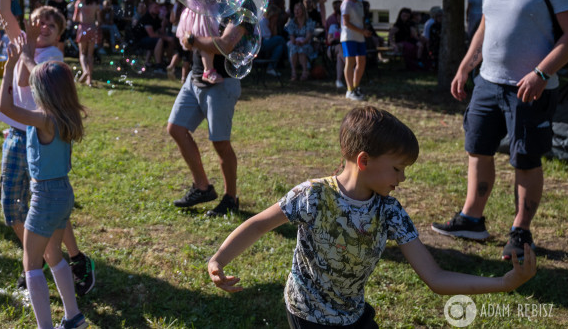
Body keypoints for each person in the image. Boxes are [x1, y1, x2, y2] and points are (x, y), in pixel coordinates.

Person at [208, 106, 536, 327]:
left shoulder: (390, 212)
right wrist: (219, 260)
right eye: (397, 168)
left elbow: (435, 279)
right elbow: (258, 225)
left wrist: (505, 283)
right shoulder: (313, 195)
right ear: (364, 161)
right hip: (307, 315)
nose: (402, 178)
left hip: (353, 317)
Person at [436, 0, 568, 260]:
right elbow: (486, 29)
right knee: (478, 149)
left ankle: (521, 231)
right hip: (488, 84)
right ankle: (472, 219)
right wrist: (465, 66)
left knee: (525, 158)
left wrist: (542, 73)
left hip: (529, 90)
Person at [0, 0, 96, 297]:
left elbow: (27, 79)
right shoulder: (24, 43)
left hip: (43, 136)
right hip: (17, 134)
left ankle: (46, 260)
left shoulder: (54, 59)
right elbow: (5, 10)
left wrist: (27, 48)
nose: (44, 26)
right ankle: (49, 257)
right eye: (38, 21)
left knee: (46, 203)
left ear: (60, 32)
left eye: (52, 23)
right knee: (17, 205)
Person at [0, 33, 88, 329]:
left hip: (45, 196)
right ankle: (74, 317)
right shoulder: (64, 115)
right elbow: (37, 69)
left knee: (31, 263)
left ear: (45, 94)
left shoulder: (43, 119)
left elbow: (6, 110)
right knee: (53, 255)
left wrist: (9, 68)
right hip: (62, 194)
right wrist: (26, 54)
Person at [168, 2, 250, 217]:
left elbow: (224, 45)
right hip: (194, 79)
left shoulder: (242, 8)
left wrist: (193, 39)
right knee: (176, 128)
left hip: (222, 82)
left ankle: (230, 198)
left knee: (220, 142)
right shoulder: (203, 1)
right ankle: (202, 187)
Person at [172, 0, 223, 84]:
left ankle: (207, 69)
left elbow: (220, 0)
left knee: (209, 44)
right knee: (206, 41)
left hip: (210, 17)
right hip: (198, 19)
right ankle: (208, 71)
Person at [341, 0, 372, 101]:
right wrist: (362, 31)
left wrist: (365, 30)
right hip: (349, 38)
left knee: (362, 62)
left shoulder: (359, 3)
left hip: (360, 38)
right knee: (350, 62)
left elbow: (361, 21)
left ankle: (356, 86)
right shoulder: (346, 4)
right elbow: (346, 22)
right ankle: (350, 90)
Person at [72, 0, 101, 86]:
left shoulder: (79, 3)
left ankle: (85, 71)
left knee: (82, 53)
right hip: (92, 28)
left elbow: (75, 18)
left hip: (82, 28)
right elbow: (99, 19)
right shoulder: (96, 4)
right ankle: (90, 80)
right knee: (90, 55)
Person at [285, 3, 316, 81]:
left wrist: (303, 42)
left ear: (303, 11)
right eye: (295, 9)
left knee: (302, 50)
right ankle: (294, 72)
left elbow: (308, 36)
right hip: (295, 43)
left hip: (306, 43)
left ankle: (305, 71)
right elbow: (291, 35)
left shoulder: (309, 22)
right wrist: (295, 42)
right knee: (293, 48)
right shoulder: (292, 22)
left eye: (298, 9)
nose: (296, 11)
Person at [256, 11, 285, 77]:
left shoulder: (271, 23)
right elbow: (267, 36)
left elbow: (273, 35)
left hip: (266, 42)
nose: (277, 18)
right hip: (261, 43)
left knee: (280, 47)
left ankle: (270, 68)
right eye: (276, 16)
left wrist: (273, 26)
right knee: (280, 39)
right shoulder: (263, 21)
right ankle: (287, 55)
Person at [324, 0, 345, 89]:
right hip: (332, 49)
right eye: (339, 17)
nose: (340, 19)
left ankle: (338, 80)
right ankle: (351, 70)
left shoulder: (347, 29)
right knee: (340, 47)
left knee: (340, 56)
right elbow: (329, 40)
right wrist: (338, 39)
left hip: (343, 51)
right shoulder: (333, 27)